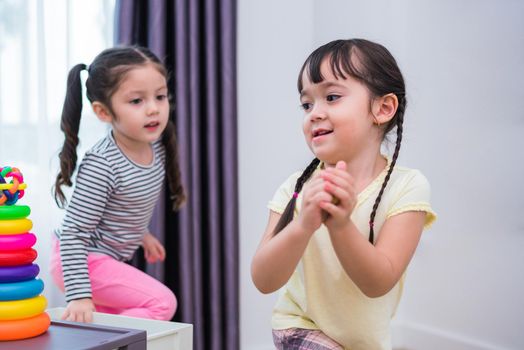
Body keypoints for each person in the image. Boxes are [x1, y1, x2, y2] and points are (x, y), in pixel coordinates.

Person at [251, 39, 437, 350]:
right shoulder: (297, 189)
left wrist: (340, 225)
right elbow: (263, 279)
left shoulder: (408, 187)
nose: (314, 114)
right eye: (307, 104)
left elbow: (378, 282)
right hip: (299, 325)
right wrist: (303, 225)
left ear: (383, 108)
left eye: (332, 97)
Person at [50, 46, 185, 323]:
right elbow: (74, 233)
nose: (153, 108)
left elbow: (122, 204)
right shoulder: (102, 164)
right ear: (103, 112)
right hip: (79, 260)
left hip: (100, 260)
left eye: (160, 97)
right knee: (161, 303)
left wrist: (141, 234)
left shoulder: (155, 147)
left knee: (115, 320)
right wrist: (79, 295)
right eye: (136, 101)